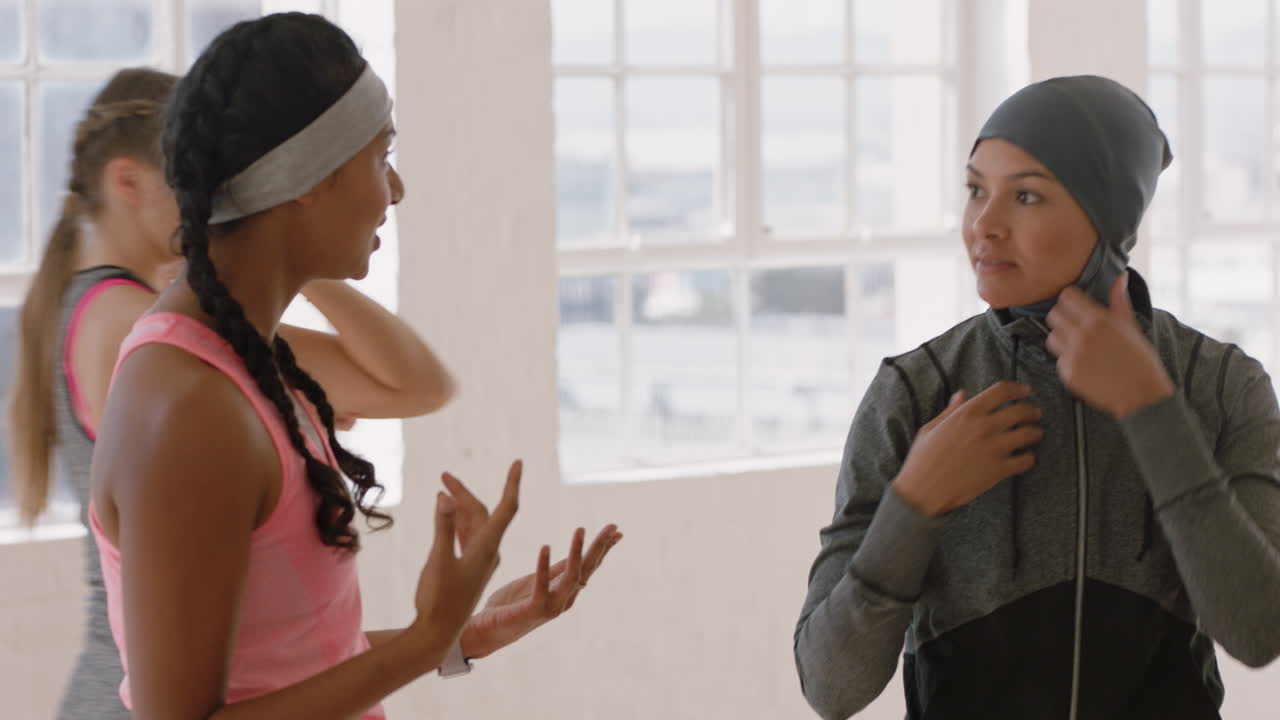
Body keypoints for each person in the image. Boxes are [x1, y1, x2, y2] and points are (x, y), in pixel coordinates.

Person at [86, 13, 621, 719]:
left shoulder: (250, 363)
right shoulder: (187, 406)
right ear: (306, 180)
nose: (395, 188)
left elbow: (287, 660)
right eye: (379, 157)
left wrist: (463, 636)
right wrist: (425, 637)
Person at [794, 75, 1280, 719]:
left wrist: (1152, 411)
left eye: (1026, 195)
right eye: (976, 190)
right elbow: (830, 686)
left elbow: (1257, 631)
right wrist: (914, 504)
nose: (984, 225)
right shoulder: (915, 390)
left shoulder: (1219, 384)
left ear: (1108, 216)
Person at [5, 65, 460, 719]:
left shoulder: (103, 309)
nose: (212, 195)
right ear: (127, 182)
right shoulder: (150, 336)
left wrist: (287, 251)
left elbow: (417, 384)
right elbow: (409, 384)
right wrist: (283, 240)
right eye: (191, 178)